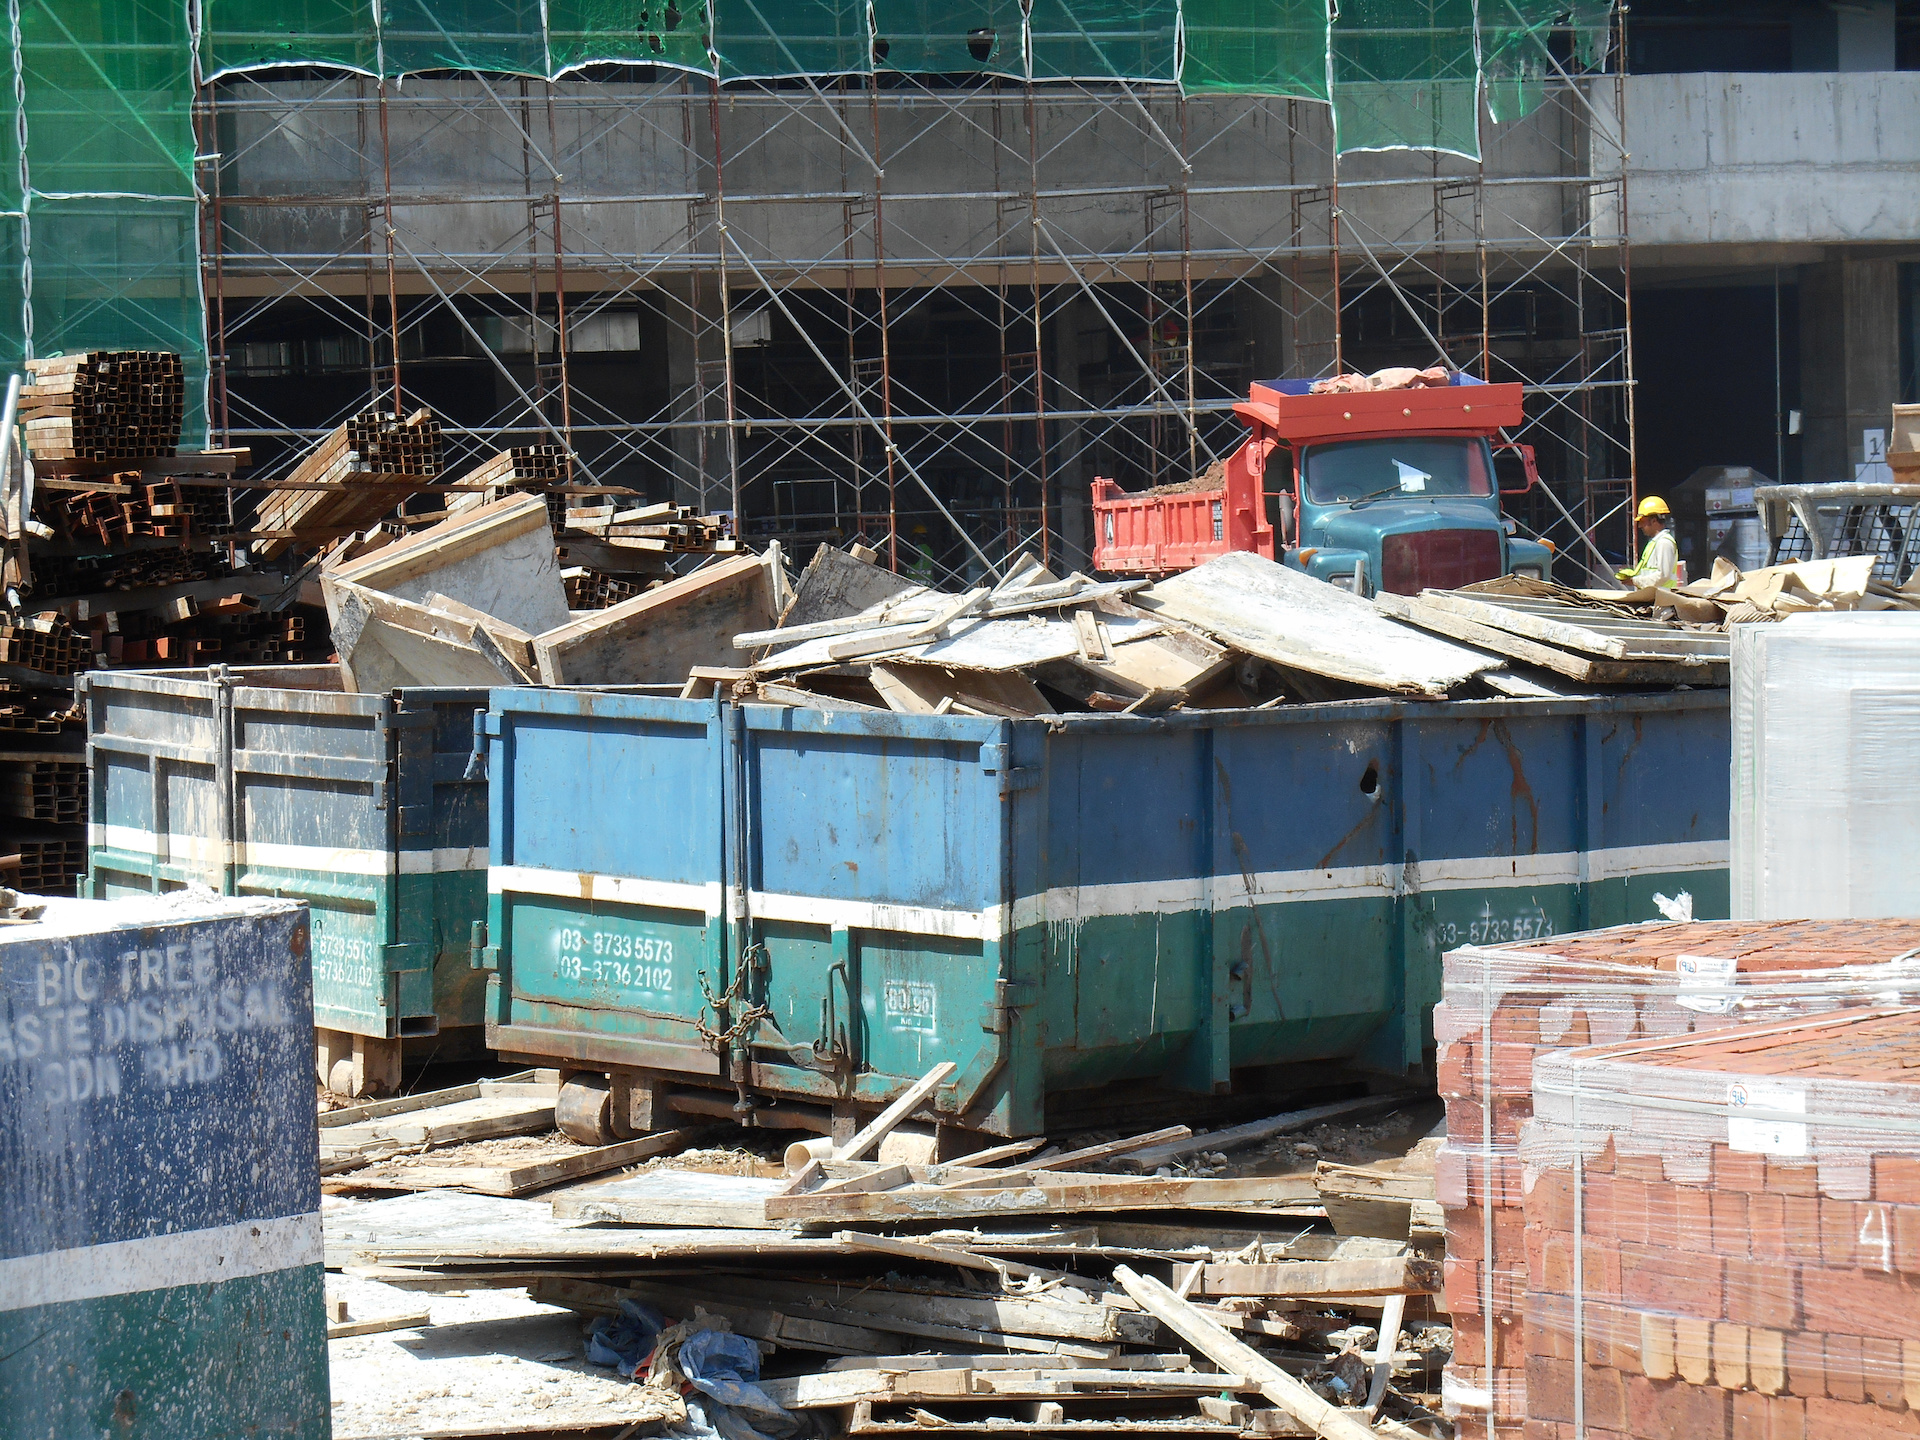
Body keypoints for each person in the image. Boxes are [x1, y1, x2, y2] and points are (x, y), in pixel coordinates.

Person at [1616, 496, 1678, 589]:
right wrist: (1632, 576)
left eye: (1642, 521)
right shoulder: (1654, 543)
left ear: (1654, 521)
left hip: (1662, 598)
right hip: (1654, 597)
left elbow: (1663, 575)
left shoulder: (1664, 543)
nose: (1640, 526)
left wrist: (1635, 581)